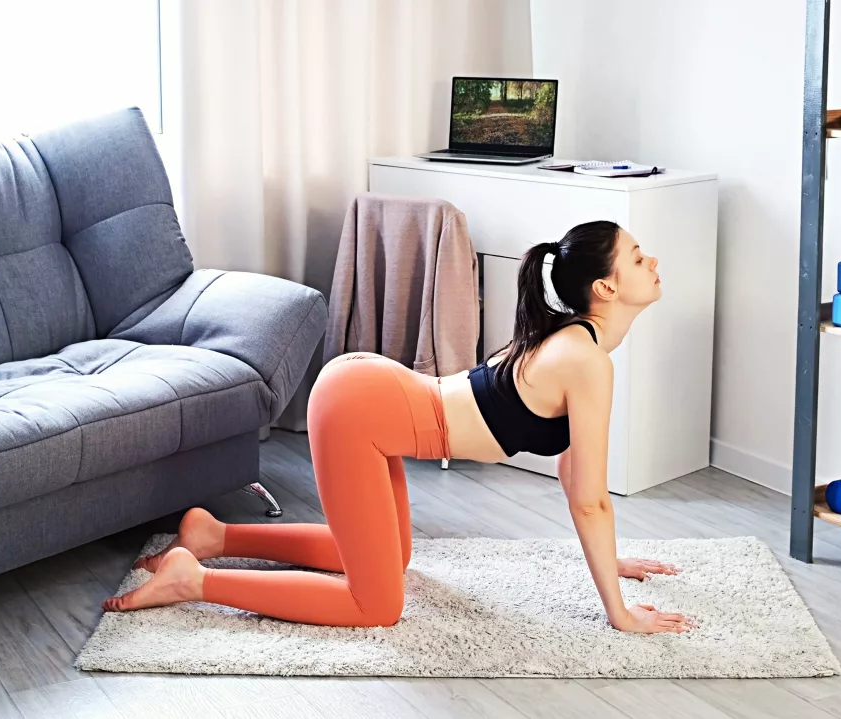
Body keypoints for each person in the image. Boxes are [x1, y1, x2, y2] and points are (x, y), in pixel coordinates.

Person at [103, 220, 693, 635]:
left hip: (375, 399)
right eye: (639, 257)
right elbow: (592, 501)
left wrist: (608, 560)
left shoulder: (575, 344)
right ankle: (195, 580)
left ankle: (215, 536)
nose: (654, 261)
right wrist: (619, 611)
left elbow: (575, 479)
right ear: (606, 287)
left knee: (392, 556)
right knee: (376, 604)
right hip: (364, 409)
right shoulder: (585, 359)